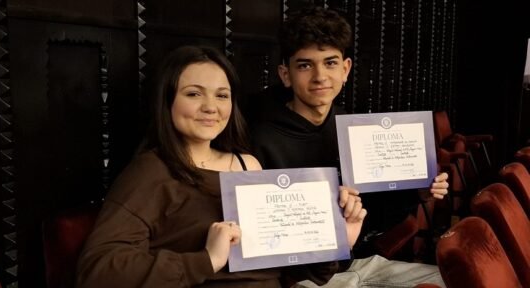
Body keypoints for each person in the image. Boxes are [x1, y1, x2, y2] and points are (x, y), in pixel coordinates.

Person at [75, 45, 367, 288]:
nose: (211, 107)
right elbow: (97, 271)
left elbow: (283, 273)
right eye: (193, 94)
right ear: (167, 101)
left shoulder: (247, 164)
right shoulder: (152, 169)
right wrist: (207, 259)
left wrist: (338, 239)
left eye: (222, 95)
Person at [249, 6, 449, 288]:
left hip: (359, 262)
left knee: (456, 278)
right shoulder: (258, 140)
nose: (320, 76)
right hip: (303, 278)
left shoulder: (353, 128)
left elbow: (375, 217)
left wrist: (416, 191)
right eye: (305, 65)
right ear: (285, 74)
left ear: (346, 70)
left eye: (330, 63)